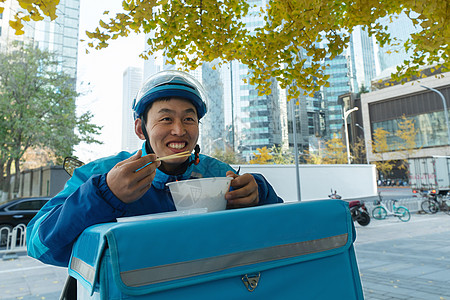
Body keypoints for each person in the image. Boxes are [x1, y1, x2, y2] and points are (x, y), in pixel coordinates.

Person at [27, 70, 283, 267]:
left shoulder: (218, 174)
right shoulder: (98, 176)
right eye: (165, 119)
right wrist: (104, 194)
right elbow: (39, 245)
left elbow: (280, 232)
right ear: (141, 129)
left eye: (189, 119)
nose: (179, 130)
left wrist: (260, 193)